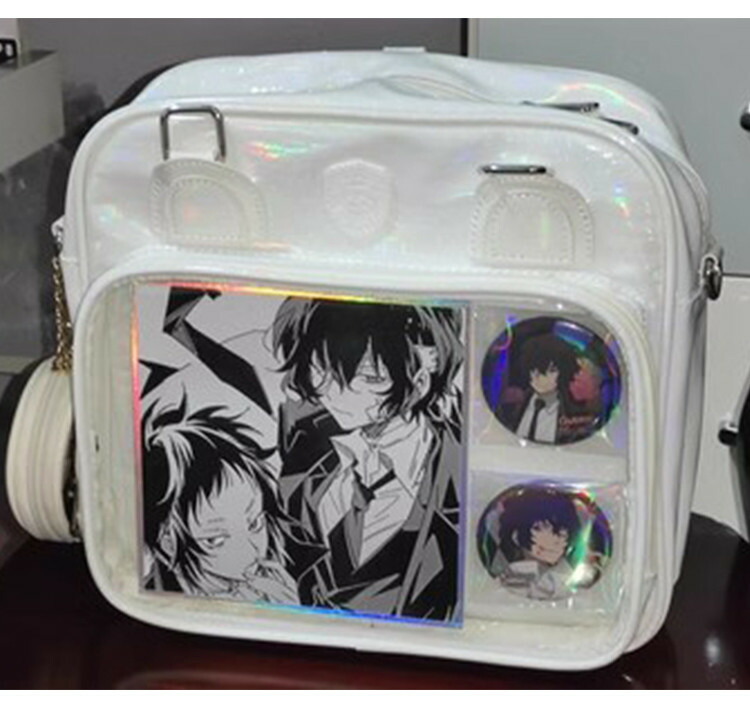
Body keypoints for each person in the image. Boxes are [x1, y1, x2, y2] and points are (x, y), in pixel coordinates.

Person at [271, 297, 464, 623]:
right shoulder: (305, 447)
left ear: (420, 380)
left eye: (368, 376)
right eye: (320, 368)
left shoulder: (457, 477)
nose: (335, 391)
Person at [141, 398, 304, 605]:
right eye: (215, 540)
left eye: (255, 523)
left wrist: (292, 613)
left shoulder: (275, 585)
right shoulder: (150, 602)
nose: (251, 551)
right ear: (168, 544)